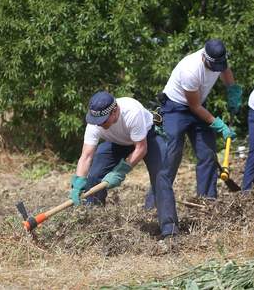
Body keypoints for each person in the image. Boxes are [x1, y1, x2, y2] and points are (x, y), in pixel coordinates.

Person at [150, 39, 241, 216]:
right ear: (204, 57)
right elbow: (194, 107)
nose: (218, 67)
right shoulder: (190, 69)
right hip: (176, 107)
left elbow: (226, 71)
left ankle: (207, 203)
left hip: (198, 104)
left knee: (208, 153)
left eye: (220, 63)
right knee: (170, 155)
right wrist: (219, 125)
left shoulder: (218, 58)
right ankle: (154, 204)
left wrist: (232, 90)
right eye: (215, 65)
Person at [69, 91, 178, 237]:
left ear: (115, 111)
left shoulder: (132, 112)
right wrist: (78, 181)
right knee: (94, 175)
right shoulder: (95, 122)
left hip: (148, 138)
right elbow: (86, 155)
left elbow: (141, 148)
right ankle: (93, 223)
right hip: (118, 142)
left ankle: (169, 230)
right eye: (97, 121)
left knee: (160, 177)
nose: (99, 125)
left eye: (103, 121)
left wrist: (120, 171)